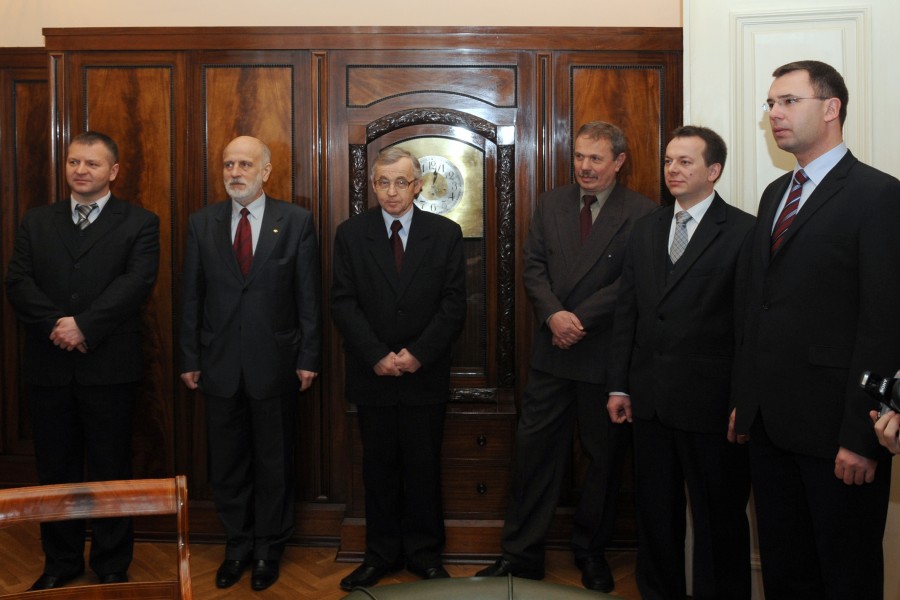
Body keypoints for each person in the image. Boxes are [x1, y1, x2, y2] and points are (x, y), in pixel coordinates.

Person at [730, 60, 900, 599]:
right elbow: (758, 307)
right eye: (770, 104)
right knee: (785, 572)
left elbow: (884, 323)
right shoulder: (774, 194)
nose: (774, 114)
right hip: (771, 429)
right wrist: (746, 402)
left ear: (831, 108)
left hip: (837, 435)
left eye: (788, 101)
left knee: (845, 577)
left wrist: (860, 437)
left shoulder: (878, 195)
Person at [477, 121, 655, 592]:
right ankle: (521, 555)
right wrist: (555, 316)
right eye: (579, 156)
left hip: (604, 358)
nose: (584, 167)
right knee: (534, 454)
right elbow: (532, 265)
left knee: (603, 461)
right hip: (551, 353)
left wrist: (578, 319)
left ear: (619, 161)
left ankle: (591, 552)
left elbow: (633, 282)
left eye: (596, 158)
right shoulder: (551, 202)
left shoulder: (642, 212)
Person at [5, 131, 160, 590]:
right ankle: (60, 562)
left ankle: (112, 564)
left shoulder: (140, 222)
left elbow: (136, 283)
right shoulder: (37, 220)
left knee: (112, 467)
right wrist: (58, 324)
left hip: (109, 367)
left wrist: (85, 326)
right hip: (49, 366)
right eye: (74, 162)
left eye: (92, 163)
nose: (81, 170)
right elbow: (18, 281)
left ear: (113, 171)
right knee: (56, 470)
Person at [606, 126, 754, 600]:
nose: (672, 169)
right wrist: (619, 386)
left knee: (718, 520)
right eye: (669, 160)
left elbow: (750, 328)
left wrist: (744, 401)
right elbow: (627, 312)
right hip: (649, 402)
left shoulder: (744, 231)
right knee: (655, 516)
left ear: (714, 170)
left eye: (685, 162)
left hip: (712, 407)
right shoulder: (646, 228)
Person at [179, 135, 321, 592]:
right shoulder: (202, 222)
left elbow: (308, 296)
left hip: (276, 363)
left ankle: (267, 550)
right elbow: (191, 296)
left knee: (274, 463)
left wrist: (308, 356)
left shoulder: (295, 221)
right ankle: (237, 546)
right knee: (228, 464)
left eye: (244, 164)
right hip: (218, 364)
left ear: (265, 171)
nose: (234, 173)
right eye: (228, 164)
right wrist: (189, 356)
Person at [331, 146, 466, 591]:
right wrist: (376, 355)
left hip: (424, 374)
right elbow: (343, 302)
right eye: (383, 182)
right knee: (379, 470)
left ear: (418, 186)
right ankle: (381, 554)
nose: (392, 191)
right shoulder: (351, 234)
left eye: (401, 182)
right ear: (373, 185)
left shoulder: (445, 233)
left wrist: (418, 354)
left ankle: (425, 555)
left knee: (424, 468)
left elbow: (453, 304)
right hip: (373, 375)